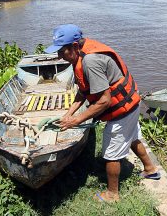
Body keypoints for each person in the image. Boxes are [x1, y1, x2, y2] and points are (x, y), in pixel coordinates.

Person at [44, 24, 160, 202]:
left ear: (74, 46)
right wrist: (69, 113)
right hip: (132, 105)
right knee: (133, 138)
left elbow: (105, 101)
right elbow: (84, 90)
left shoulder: (90, 62)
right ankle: (150, 170)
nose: (59, 56)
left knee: (111, 155)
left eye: (62, 51)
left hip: (122, 113)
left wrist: (76, 121)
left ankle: (112, 194)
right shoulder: (81, 54)